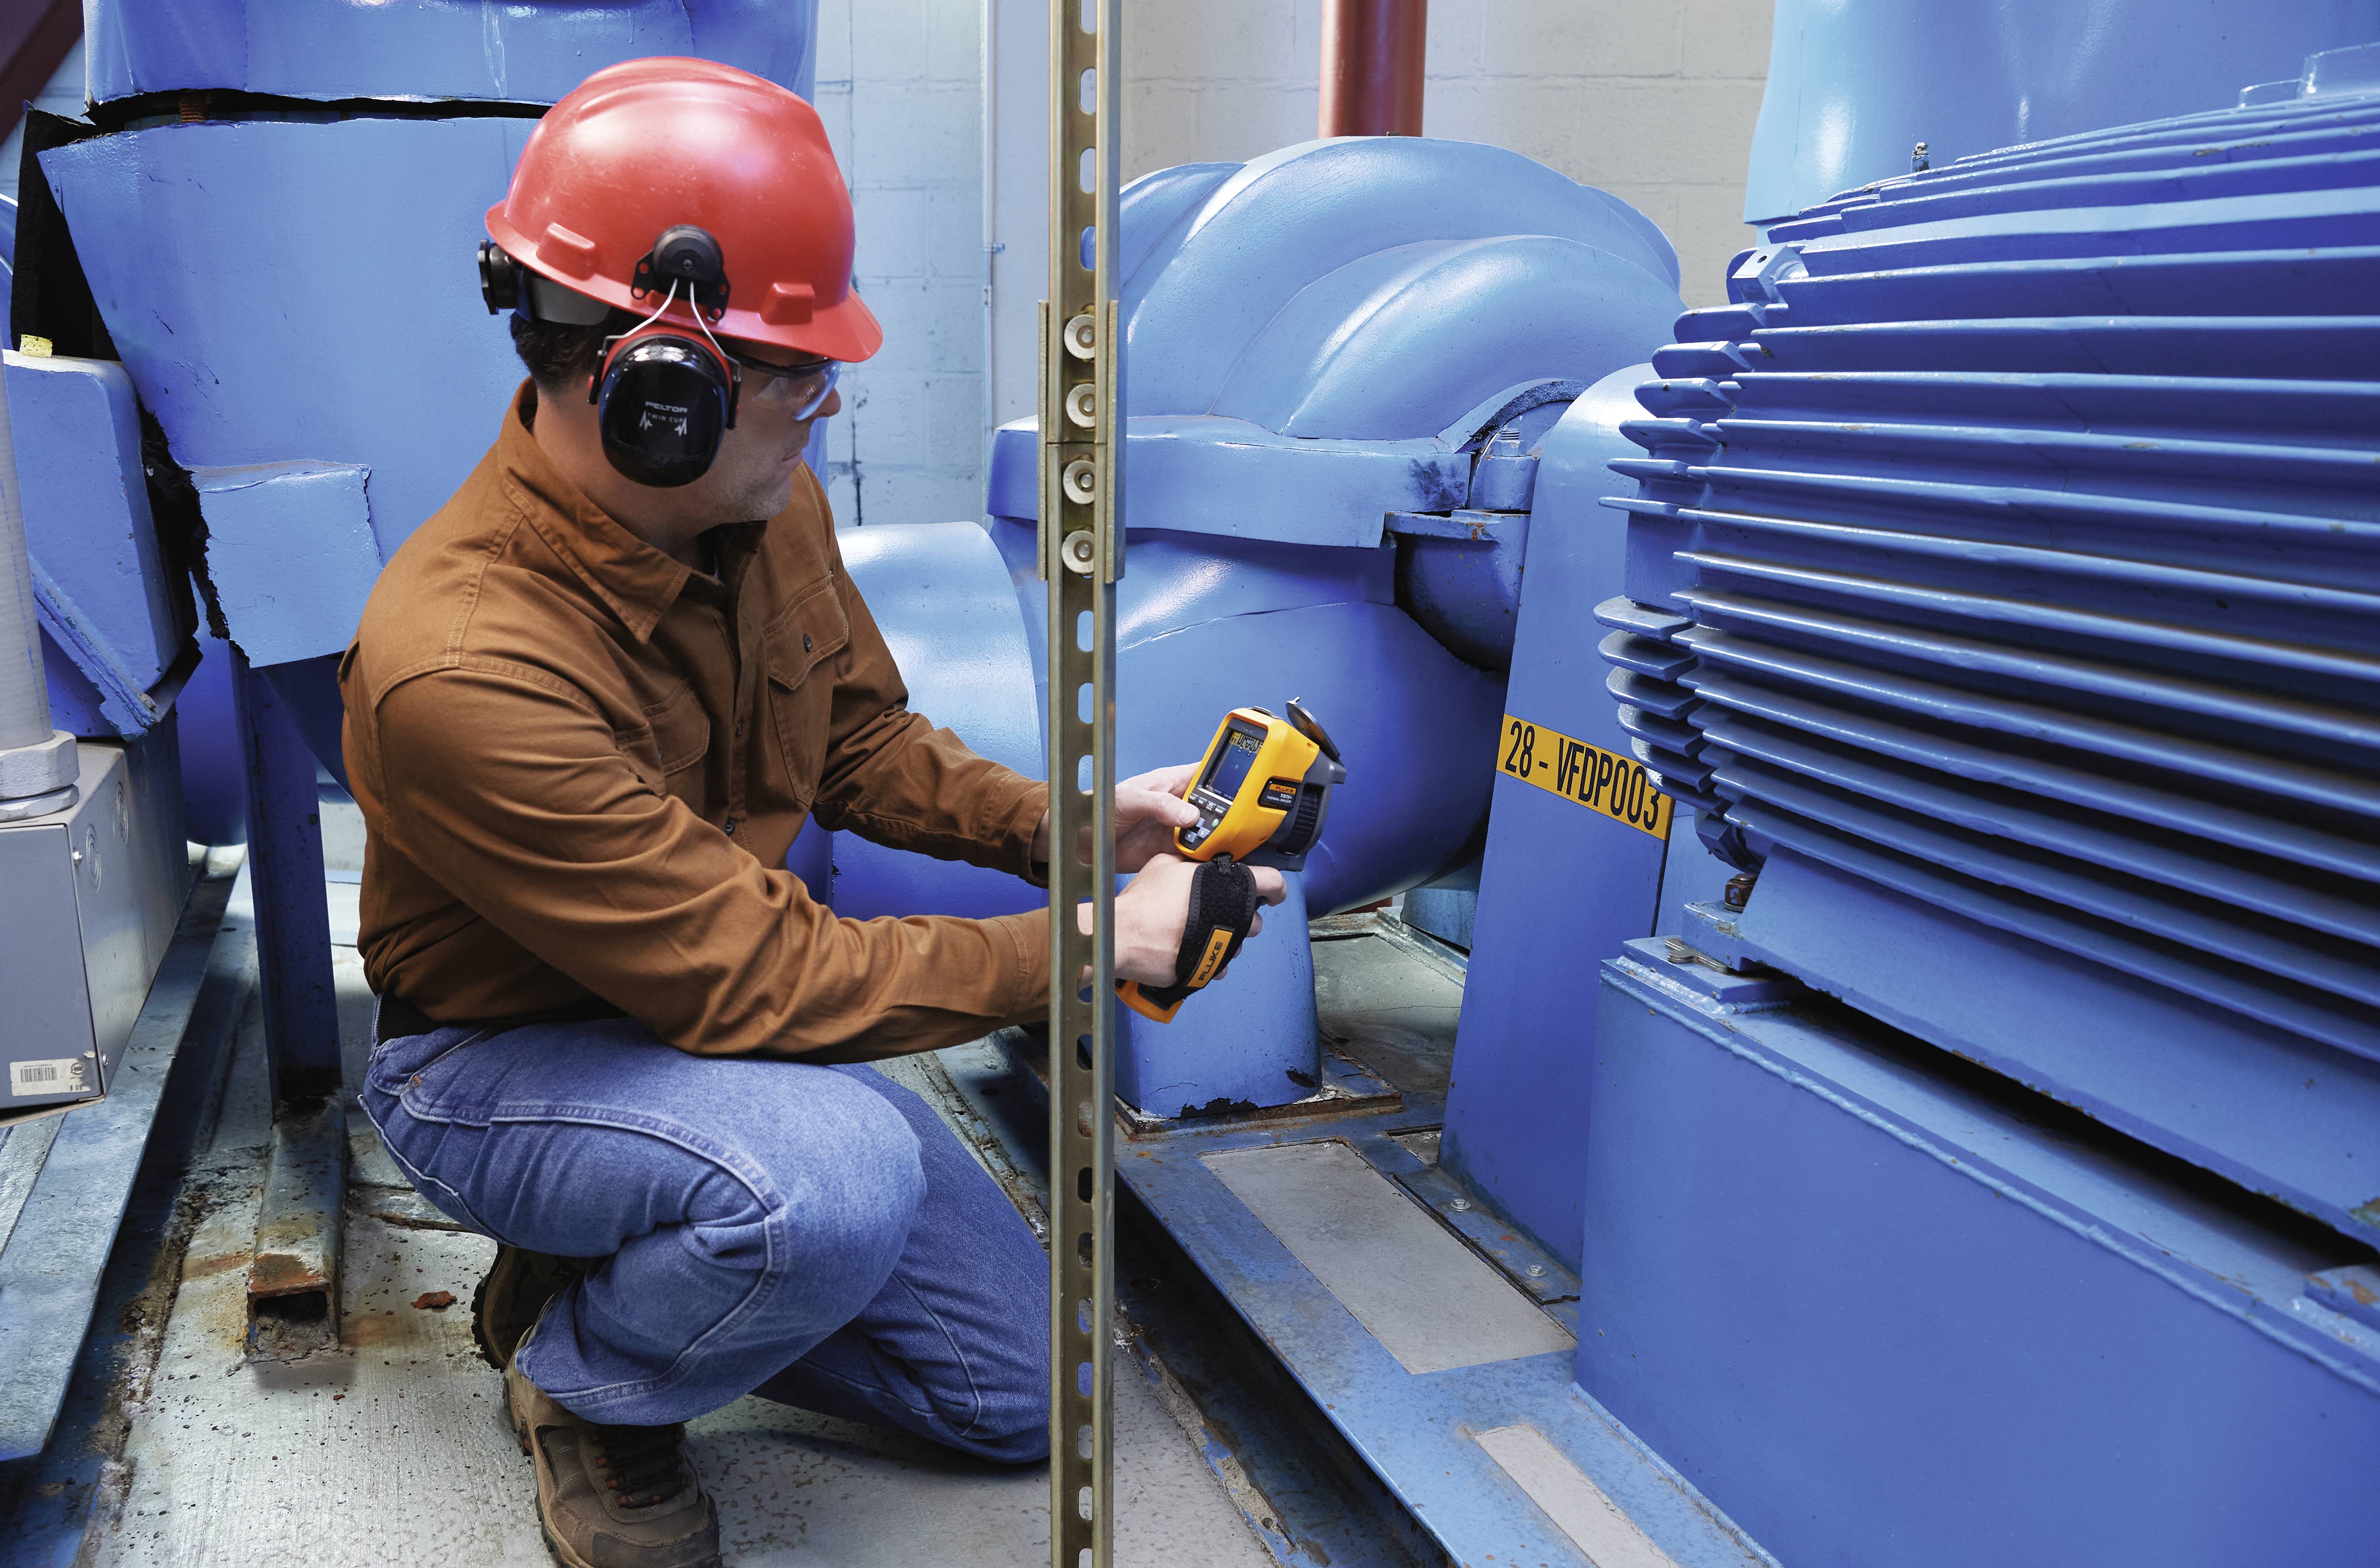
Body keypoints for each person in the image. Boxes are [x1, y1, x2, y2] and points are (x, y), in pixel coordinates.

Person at [339, 57, 1283, 1568]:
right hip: (504, 1057)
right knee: (827, 1185)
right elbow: (765, 975)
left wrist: (1071, 829)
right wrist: (1097, 943)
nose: (826, 395)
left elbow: (862, 741)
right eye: (790, 367)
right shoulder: (463, 663)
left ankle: (637, 1255)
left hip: (706, 1033)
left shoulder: (766, 506)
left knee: (1019, 1394)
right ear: (658, 389)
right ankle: (590, 1387)